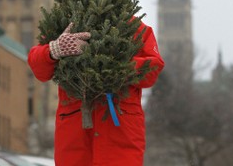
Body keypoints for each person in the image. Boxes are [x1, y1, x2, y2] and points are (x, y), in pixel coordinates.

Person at [28, 18, 164, 166]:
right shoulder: (66, 18)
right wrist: (54, 50)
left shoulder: (133, 26)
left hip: (120, 135)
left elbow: (152, 69)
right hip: (75, 136)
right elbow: (38, 68)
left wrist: (116, 66)